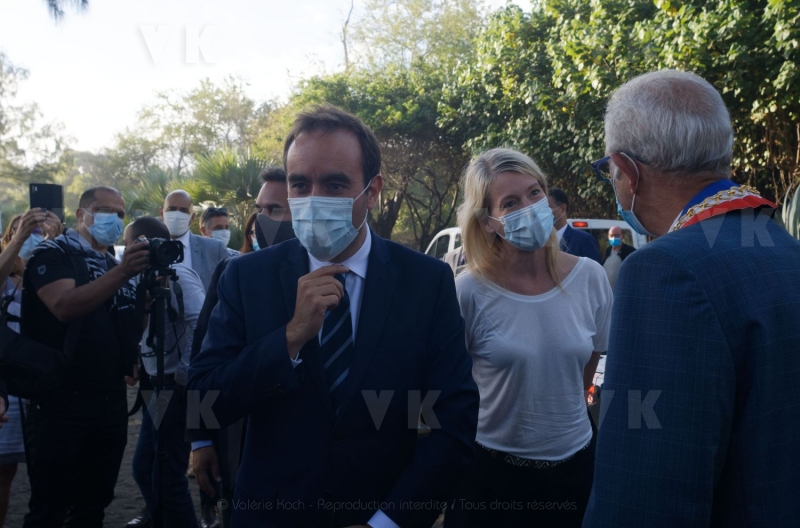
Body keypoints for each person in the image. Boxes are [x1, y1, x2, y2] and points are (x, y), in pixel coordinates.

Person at [188, 104, 479, 527]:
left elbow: (453, 418)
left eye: (335, 184)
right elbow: (206, 398)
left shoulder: (426, 281)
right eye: (300, 184)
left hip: (380, 511)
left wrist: (388, 522)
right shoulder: (246, 278)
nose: (314, 199)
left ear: (372, 191)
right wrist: (289, 339)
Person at [583, 70, 800, 527]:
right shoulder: (784, 249)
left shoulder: (665, 270)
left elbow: (643, 493)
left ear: (627, 171)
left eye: (608, 171)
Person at [446, 148, 612, 527]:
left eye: (535, 193)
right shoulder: (469, 290)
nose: (530, 207)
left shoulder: (590, 277)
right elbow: (453, 383)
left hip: (576, 469)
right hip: (492, 476)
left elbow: (591, 358)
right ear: (488, 222)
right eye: (510, 203)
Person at [21, 186, 150, 527]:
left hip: (109, 398)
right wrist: (123, 273)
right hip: (60, 397)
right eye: (105, 210)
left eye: (121, 214)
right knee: (50, 506)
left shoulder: (113, 263)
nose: (115, 219)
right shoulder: (53, 253)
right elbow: (63, 306)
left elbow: (128, 327)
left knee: (94, 502)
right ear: (81, 214)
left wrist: (147, 296)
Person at [189, 165, 296, 528]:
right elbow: (201, 362)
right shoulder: (235, 273)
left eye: (275, 210)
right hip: (240, 440)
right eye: (260, 210)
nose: (263, 220)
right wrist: (200, 440)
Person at [126, 217, 205, 528]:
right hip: (155, 383)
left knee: (167, 475)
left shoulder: (179, 275)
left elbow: (201, 323)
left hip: (177, 386)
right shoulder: (141, 278)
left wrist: (184, 375)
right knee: (145, 467)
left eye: (130, 244)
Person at [0, 209, 60, 526]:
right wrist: (19, 237)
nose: (31, 237)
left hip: (41, 380)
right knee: (3, 471)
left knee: (48, 468)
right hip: (7, 383)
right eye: (23, 231)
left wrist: (56, 242)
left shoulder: (49, 271)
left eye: (39, 232)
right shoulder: (5, 276)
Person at [160, 190, 229, 291]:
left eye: (183, 210)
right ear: (162, 213)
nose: (177, 215)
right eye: (172, 209)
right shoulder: (148, 249)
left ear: (192, 217)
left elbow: (228, 289)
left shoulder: (215, 249)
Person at [548, 188, 602, 263]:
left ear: (563, 208)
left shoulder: (584, 240)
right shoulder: (540, 242)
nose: (543, 213)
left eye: (548, 208)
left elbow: (593, 269)